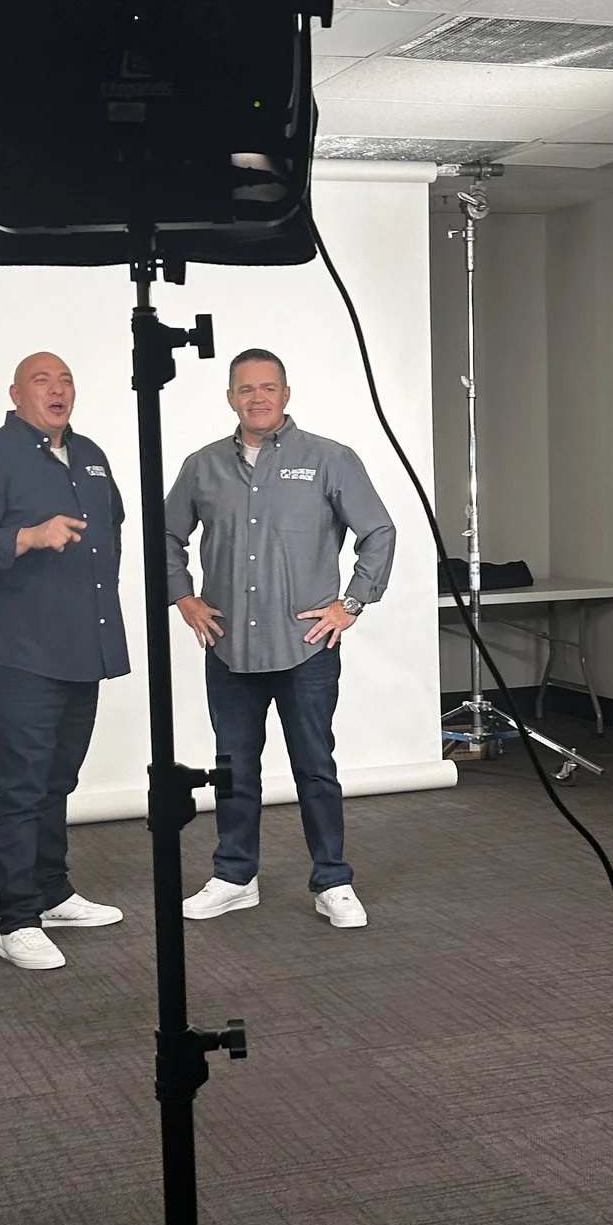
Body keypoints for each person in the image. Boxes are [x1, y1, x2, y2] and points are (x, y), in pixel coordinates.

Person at [165, 349, 396, 931]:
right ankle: (234, 877)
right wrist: (183, 596)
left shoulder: (329, 459)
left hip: (305, 649)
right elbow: (164, 535)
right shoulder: (202, 466)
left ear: (286, 395)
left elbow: (378, 531)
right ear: (230, 398)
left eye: (268, 387)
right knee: (233, 769)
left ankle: (333, 881)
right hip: (230, 649)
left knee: (315, 768)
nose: (258, 398)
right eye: (246, 389)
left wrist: (351, 604)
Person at [0, 352, 128, 971]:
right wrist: (27, 536)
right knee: (20, 786)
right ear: (15, 394)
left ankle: (53, 893)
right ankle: (17, 920)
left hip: (82, 647)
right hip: (17, 654)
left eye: (66, 379)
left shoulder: (91, 455)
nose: (57, 389)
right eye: (42, 380)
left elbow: (112, 531)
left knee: (57, 781)